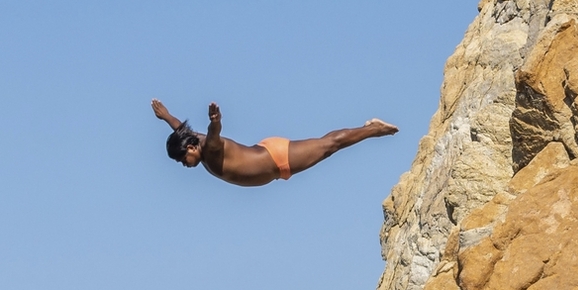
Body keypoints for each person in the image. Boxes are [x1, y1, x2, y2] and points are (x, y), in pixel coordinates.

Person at [152, 99, 397, 187]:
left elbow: (213, 134)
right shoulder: (194, 142)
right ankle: (370, 129)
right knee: (326, 146)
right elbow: (181, 129)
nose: (184, 164)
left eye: (183, 159)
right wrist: (166, 116)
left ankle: (373, 129)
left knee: (328, 147)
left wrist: (215, 121)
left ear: (191, 148)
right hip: (269, 159)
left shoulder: (210, 148)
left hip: (276, 158)